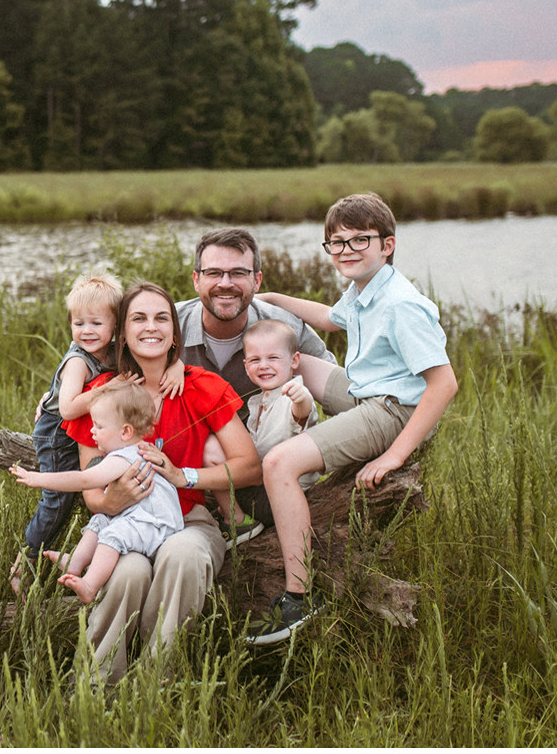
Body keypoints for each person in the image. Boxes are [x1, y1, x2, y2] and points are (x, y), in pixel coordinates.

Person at [249, 193, 459, 644]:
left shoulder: (402, 304)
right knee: (295, 360)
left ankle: (298, 596)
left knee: (278, 465)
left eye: (359, 239)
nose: (346, 250)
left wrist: (394, 456)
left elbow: (444, 384)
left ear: (387, 244)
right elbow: (330, 319)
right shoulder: (366, 288)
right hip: (367, 393)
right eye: (336, 242)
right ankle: (267, 428)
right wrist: (269, 298)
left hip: (393, 411)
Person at [62, 282, 261, 682]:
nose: (150, 327)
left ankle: (156, 680)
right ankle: (98, 684)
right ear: (122, 333)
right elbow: (90, 492)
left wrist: (181, 475)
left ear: (174, 332)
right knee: (129, 571)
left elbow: (249, 466)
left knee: (184, 554)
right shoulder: (100, 395)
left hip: (188, 518)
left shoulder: (201, 385)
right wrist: (112, 501)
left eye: (161, 318)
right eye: (138, 318)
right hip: (124, 526)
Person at [12, 273, 185, 593]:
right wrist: (111, 387)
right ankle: (26, 561)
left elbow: (165, 328)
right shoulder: (78, 360)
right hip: (57, 435)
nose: (87, 332)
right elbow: (67, 410)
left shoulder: (112, 350)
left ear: (115, 327)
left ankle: (73, 559)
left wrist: (176, 365)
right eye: (79, 324)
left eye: (96, 324)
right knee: (58, 501)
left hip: (89, 429)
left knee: (92, 502)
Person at [175, 227, 336, 534]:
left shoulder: (284, 326)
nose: (226, 283)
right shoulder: (167, 327)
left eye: (238, 272)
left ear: (256, 280)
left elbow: (338, 389)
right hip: (187, 473)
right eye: (213, 273)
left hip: (266, 474)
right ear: (196, 279)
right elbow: (103, 348)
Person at [11, 381, 185, 604]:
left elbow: (84, 479)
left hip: (156, 527)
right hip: (145, 520)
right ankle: (76, 562)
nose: (92, 430)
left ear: (125, 431)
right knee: (101, 521)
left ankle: (90, 585)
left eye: (99, 427)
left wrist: (39, 479)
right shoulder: (136, 450)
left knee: (114, 533)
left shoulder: (123, 457)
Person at [210, 319, 319, 545]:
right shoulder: (258, 401)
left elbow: (300, 415)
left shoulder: (291, 394)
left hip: (283, 497)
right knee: (217, 451)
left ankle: (237, 520)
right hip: (265, 489)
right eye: (255, 360)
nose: (263, 365)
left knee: (212, 456)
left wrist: (302, 400)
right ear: (245, 365)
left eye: (273, 358)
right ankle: (225, 510)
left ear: (294, 360)